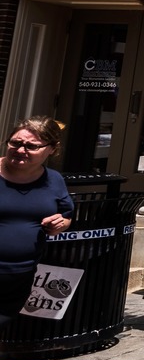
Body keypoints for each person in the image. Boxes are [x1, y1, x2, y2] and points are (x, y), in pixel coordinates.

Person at [0, 117, 74, 326]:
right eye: (15, 143)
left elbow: (65, 216)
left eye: (31, 146)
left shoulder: (54, 180)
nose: (20, 150)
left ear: (51, 149)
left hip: (19, 277)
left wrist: (60, 224)